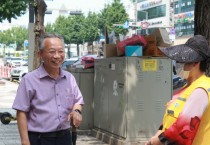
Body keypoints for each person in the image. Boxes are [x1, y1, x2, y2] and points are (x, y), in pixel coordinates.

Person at [12, 33, 84, 145]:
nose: (57, 56)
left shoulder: (69, 78)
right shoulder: (29, 80)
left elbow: (78, 101)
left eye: (60, 51)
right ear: (40, 54)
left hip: (64, 137)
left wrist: (76, 111)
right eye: (51, 51)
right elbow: (21, 112)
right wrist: (25, 141)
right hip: (39, 139)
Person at [145, 35, 210, 145]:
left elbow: (183, 128)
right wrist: (159, 132)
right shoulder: (187, 87)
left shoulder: (201, 90)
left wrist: (155, 141)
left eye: (184, 62)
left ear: (196, 63)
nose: (179, 65)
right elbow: (170, 118)